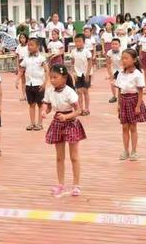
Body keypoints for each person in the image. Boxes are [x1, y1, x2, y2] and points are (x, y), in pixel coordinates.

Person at [42, 64, 86, 197]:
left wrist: (66, 116)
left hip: (70, 123)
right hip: (57, 123)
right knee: (59, 157)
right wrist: (44, 111)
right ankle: (60, 184)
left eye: (55, 77)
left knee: (74, 157)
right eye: (51, 78)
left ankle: (76, 185)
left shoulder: (70, 92)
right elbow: (47, 104)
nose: (53, 80)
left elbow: (78, 110)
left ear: (64, 78)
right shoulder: (49, 90)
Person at [116, 49, 146, 160]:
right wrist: (119, 104)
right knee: (124, 127)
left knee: (133, 127)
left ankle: (134, 151)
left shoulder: (138, 74)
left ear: (134, 60)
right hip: (123, 101)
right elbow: (119, 90)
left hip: (133, 100)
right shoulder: (121, 73)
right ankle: (126, 151)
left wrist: (138, 106)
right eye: (122, 58)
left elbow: (140, 91)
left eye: (126, 58)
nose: (123, 60)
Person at [20, 38, 48, 131]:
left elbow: (47, 70)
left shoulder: (41, 58)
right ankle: (32, 123)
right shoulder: (26, 58)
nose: (29, 47)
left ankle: (40, 124)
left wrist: (45, 83)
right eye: (28, 45)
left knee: (40, 105)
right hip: (29, 84)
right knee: (31, 104)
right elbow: (22, 69)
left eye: (32, 45)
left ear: (38, 46)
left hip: (39, 84)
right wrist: (17, 79)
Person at [71, 34, 92, 116]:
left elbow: (90, 63)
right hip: (77, 73)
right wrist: (74, 73)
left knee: (85, 91)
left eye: (79, 41)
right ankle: (81, 109)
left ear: (83, 42)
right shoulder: (73, 52)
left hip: (86, 73)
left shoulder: (87, 52)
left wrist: (87, 73)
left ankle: (87, 109)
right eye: (76, 41)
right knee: (79, 92)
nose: (77, 43)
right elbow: (72, 63)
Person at [106, 38, 122, 104]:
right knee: (112, 83)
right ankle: (114, 96)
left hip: (121, 69)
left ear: (119, 45)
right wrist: (110, 74)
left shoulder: (123, 52)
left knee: (121, 84)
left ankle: (121, 97)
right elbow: (108, 63)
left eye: (116, 44)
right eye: (113, 44)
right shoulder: (109, 52)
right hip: (113, 69)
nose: (114, 45)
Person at [15, 33, 29, 102]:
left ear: (26, 38)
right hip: (21, 63)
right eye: (21, 38)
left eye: (23, 38)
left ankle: (29, 95)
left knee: (28, 80)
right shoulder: (18, 47)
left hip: (28, 64)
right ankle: (24, 96)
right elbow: (17, 57)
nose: (22, 39)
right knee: (23, 81)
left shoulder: (28, 46)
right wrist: (17, 66)